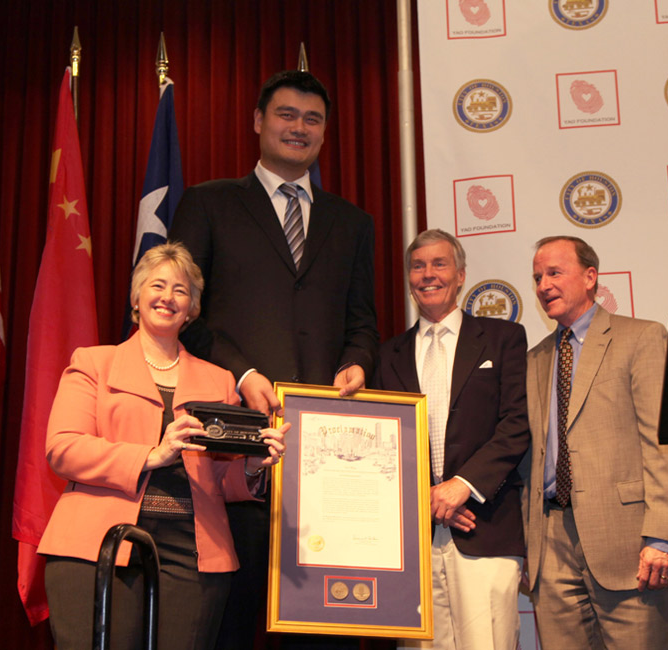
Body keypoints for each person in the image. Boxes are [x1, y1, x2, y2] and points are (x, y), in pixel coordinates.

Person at [169, 70, 378, 648]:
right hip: (231, 446)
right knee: (228, 626)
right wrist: (243, 373)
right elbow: (185, 312)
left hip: (325, 458)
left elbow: (362, 321)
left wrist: (359, 361)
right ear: (259, 121)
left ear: (325, 133)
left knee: (321, 631)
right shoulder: (208, 203)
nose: (299, 128)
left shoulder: (353, 222)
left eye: (313, 119)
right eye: (287, 114)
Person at [38, 242, 288, 650]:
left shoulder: (220, 380)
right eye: (157, 285)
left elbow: (216, 480)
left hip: (193, 556)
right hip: (97, 547)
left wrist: (252, 467)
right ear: (136, 298)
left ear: (191, 310)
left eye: (181, 290)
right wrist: (151, 455)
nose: (168, 297)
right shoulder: (93, 363)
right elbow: (63, 449)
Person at [522, 235, 668, 649]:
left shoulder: (642, 338)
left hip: (629, 542)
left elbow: (667, 445)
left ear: (590, 277)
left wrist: (662, 537)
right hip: (550, 544)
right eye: (538, 277)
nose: (544, 285)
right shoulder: (534, 359)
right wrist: (529, 546)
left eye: (555, 273)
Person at [373, 229, 529, 650]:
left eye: (439, 264)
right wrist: (423, 499)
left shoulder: (504, 338)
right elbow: (382, 447)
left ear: (460, 275)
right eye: (418, 266)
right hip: (414, 539)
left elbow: (517, 424)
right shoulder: (386, 356)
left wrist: (461, 487)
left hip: (485, 527)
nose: (428, 274)